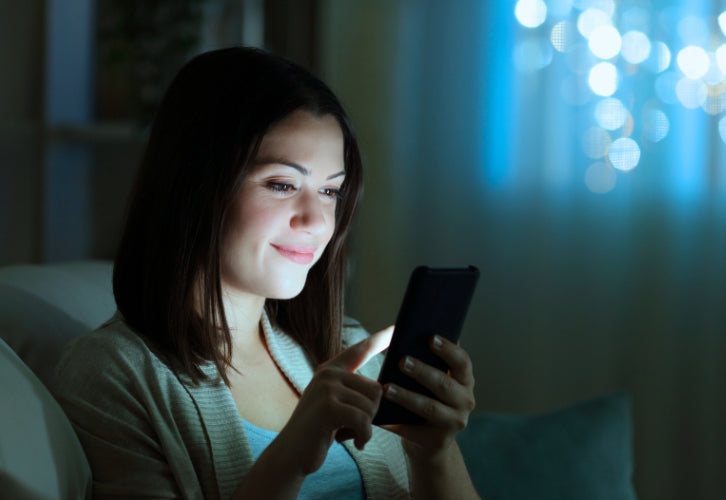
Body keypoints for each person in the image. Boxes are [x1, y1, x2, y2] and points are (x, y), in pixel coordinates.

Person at [53, 46, 479, 499]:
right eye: (282, 185)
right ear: (196, 187)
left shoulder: (348, 349)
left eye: (331, 191)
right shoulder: (112, 376)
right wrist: (290, 456)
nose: (316, 221)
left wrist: (433, 452)